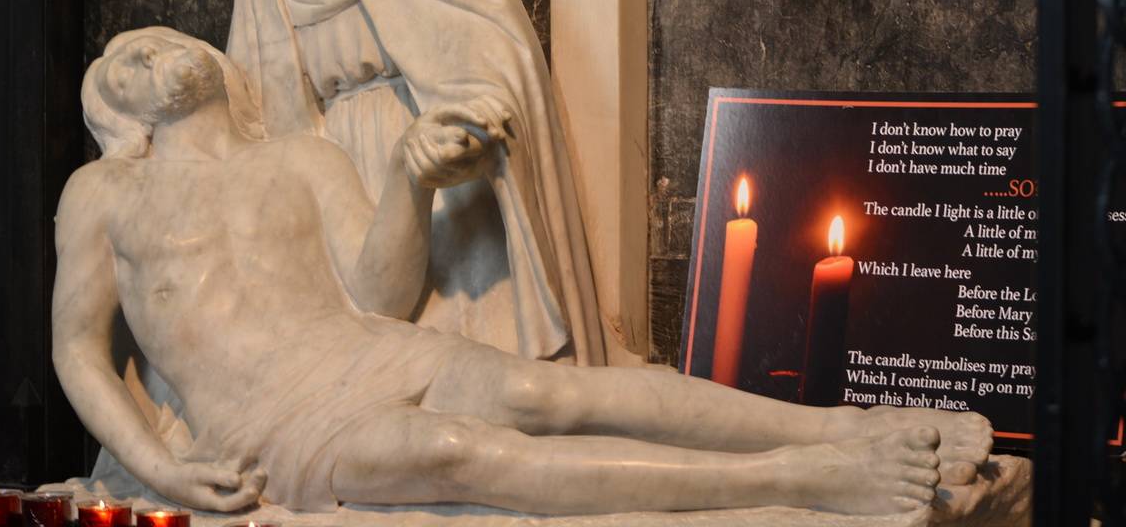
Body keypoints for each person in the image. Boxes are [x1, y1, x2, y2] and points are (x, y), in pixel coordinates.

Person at [53, 28, 994, 517]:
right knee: (457, 455)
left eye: (154, 38)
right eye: (123, 62)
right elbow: (79, 351)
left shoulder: (300, 159)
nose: (145, 51)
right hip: (272, 426)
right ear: (119, 117)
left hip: (364, 351)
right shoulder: (105, 192)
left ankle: (850, 425)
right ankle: (808, 478)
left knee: (552, 393)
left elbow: (376, 296)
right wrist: (162, 468)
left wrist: (409, 178)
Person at [178, 0, 604, 364]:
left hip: (431, 145)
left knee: (468, 362)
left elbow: (486, 38)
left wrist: (468, 114)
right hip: (340, 176)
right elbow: (253, 115)